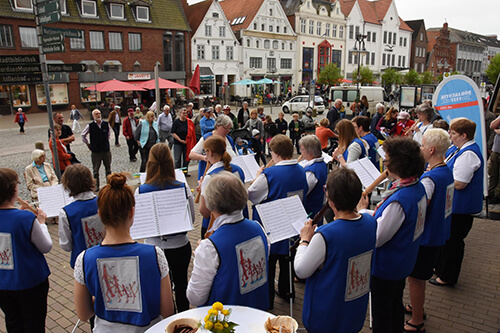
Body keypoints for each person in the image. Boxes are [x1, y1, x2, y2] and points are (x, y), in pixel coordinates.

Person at [73, 173, 175, 331]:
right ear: (132, 213)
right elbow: (168, 311)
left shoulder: (84, 259)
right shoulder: (155, 254)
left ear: (100, 214)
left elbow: (83, 314)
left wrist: (105, 297)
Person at [357, 137, 426, 333]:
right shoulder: (415, 186)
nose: (384, 164)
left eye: (386, 160)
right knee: (395, 304)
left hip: (387, 266)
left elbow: (378, 236)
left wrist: (362, 212)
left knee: (382, 313)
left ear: (398, 164)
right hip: (403, 260)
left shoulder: (400, 199)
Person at [295, 168, 376, 333]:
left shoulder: (326, 234)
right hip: (354, 307)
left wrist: (304, 240)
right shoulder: (370, 222)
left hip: (327, 314)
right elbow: (360, 218)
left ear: (331, 201)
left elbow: (301, 270)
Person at [187, 172, 269, 310]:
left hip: (226, 320)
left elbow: (195, 297)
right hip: (258, 311)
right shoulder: (258, 227)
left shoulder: (209, 247)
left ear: (212, 203)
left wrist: (199, 257)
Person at [248, 134, 308, 308]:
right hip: (293, 224)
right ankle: (288, 291)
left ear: (275, 153)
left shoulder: (270, 173)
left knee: (269, 263)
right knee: (287, 260)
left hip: (272, 225)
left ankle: (267, 302)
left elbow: (252, 194)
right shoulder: (301, 169)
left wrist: (258, 175)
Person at [404, 129, 454, 333]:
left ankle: (417, 320)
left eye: (423, 145)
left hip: (426, 237)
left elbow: (421, 208)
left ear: (431, 149)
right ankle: (417, 307)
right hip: (438, 233)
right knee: (420, 278)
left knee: (416, 279)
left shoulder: (430, 178)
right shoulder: (446, 170)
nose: (421, 148)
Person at [138, 143, 195, 312]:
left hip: (153, 248)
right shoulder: (183, 187)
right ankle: (183, 320)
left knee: (159, 289)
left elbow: (139, 222)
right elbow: (191, 218)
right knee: (182, 285)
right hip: (179, 245)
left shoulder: (141, 190)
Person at [433, 118, 484, 287]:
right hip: (454, 206)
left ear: (464, 135)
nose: (450, 136)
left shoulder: (468, 154)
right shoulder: (460, 149)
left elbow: (460, 183)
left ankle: (447, 276)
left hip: (460, 208)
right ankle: (441, 269)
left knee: (453, 243)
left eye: (453, 133)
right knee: (448, 241)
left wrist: (439, 182)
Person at [0, 168, 52, 333]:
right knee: (34, 324)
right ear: (14, 191)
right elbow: (46, 246)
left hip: (3, 283)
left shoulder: (21, 217)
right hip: (30, 281)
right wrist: (42, 223)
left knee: (13, 322)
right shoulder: (25, 218)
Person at [199, 135, 246, 237]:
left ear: (210, 152)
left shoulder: (210, 177)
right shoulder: (238, 169)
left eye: (205, 152)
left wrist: (203, 189)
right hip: (239, 221)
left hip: (217, 227)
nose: (206, 156)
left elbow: (205, 212)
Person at [59, 164, 104, 269]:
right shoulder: (103, 201)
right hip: (106, 256)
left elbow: (66, 245)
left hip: (83, 262)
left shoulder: (66, 212)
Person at [189, 115, 236, 180]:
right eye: (225, 128)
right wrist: (205, 158)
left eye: (229, 129)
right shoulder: (207, 138)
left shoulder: (229, 139)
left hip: (227, 176)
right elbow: (191, 154)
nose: (227, 131)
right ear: (218, 126)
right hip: (210, 176)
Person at [81, 109, 112, 190]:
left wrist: (106, 141)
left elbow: (108, 135)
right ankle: (96, 186)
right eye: (96, 114)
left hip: (106, 150)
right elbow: (83, 134)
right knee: (95, 170)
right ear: (93, 116)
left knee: (108, 169)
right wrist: (87, 143)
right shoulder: (90, 125)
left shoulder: (106, 124)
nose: (98, 115)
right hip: (96, 151)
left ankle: (110, 184)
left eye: (99, 113)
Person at [299, 135, 327, 219]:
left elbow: (303, 192)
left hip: (310, 211)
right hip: (317, 207)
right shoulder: (321, 163)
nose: (300, 151)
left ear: (310, 152)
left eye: (302, 149)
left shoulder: (311, 171)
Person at [172, 108, 196, 176]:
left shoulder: (188, 122)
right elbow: (173, 132)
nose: (184, 114)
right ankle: (177, 174)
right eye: (183, 113)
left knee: (186, 159)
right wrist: (180, 140)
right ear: (180, 114)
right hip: (178, 143)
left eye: (186, 113)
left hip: (187, 143)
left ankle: (185, 172)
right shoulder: (176, 122)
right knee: (177, 159)